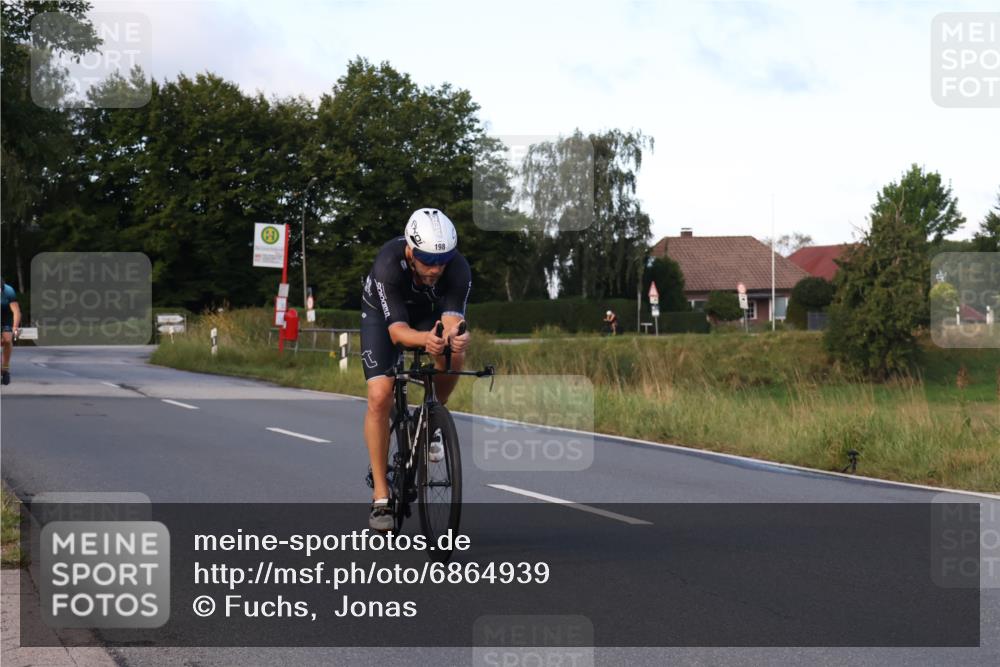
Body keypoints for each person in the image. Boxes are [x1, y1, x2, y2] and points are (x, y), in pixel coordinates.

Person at [360, 208, 471, 531]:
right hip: (384, 318)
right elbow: (397, 333)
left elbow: (451, 320)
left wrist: (454, 338)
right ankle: (381, 495)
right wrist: (425, 340)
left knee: (454, 353)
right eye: (426, 260)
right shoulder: (388, 264)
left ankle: (433, 418)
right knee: (380, 395)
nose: (436, 269)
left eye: (443, 260)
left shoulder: (458, 268)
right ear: (410, 251)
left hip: (426, 314)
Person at [1, 278, 21, 386]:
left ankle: (5, 368)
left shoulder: (9, 291)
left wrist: (15, 327)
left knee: (7, 340)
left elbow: (16, 312)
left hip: (5, 317)